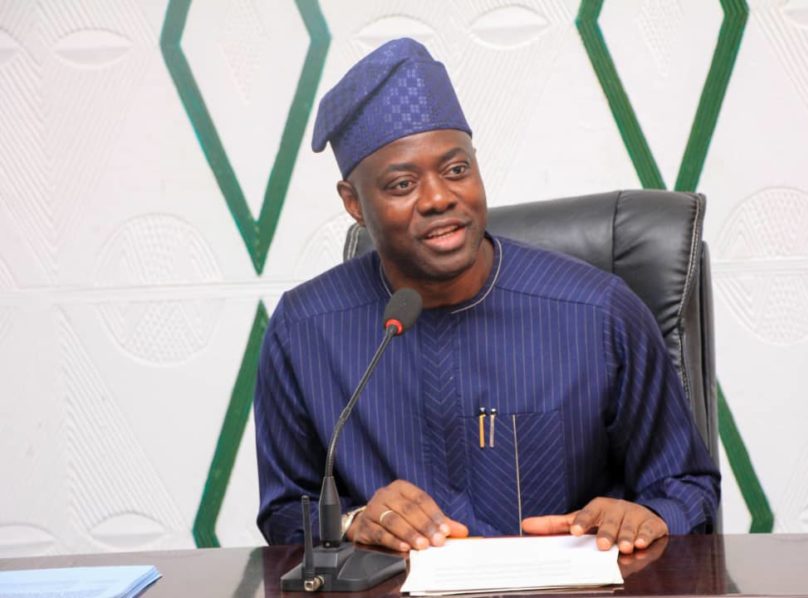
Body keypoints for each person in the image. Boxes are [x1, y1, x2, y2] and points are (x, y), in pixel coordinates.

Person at [254, 38, 720, 556]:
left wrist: (645, 517)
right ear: (354, 204)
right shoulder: (303, 331)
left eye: (456, 170)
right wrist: (353, 521)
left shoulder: (600, 313)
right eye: (402, 184)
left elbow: (688, 486)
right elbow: (285, 511)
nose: (439, 198)